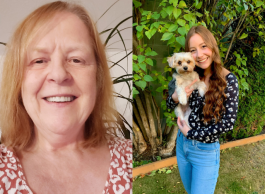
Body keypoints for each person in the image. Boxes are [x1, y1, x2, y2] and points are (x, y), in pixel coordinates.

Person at [0, 1, 132, 193]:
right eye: (39, 61)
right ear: (17, 79)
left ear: (98, 76)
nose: (59, 75)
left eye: (76, 59)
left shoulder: (130, 158)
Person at [166, 25, 239, 194]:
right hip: (182, 145)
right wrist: (175, 97)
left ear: (212, 46)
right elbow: (170, 105)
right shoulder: (189, 73)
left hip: (204, 151)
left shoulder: (229, 81)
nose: (199, 55)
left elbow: (228, 124)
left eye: (203, 46)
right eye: (193, 50)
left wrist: (191, 134)